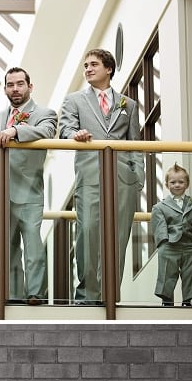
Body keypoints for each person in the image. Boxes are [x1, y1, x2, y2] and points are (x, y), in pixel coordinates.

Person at [58, 49, 143, 304]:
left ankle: (109, 297)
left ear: (109, 69)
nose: (87, 69)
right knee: (88, 232)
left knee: (118, 237)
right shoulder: (74, 100)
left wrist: (137, 176)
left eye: (93, 64)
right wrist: (75, 134)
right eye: (85, 65)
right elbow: (65, 129)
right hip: (91, 175)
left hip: (123, 179)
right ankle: (87, 296)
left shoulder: (128, 105)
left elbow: (135, 143)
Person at [0, 67, 57, 305]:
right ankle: (11, 296)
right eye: (10, 85)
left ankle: (35, 294)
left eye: (20, 84)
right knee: (5, 249)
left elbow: (47, 131)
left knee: (33, 244)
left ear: (30, 87)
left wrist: (15, 130)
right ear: (4, 89)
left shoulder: (45, 113)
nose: (15, 89)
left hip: (29, 191)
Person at [151, 163, 192, 306]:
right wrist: (164, 241)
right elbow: (159, 226)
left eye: (181, 182)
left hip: (191, 245)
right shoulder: (160, 207)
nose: (177, 185)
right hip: (170, 243)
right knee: (167, 271)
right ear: (166, 184)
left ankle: (187, 300)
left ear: (187, 184)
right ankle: (167, 299)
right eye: (173, 182)